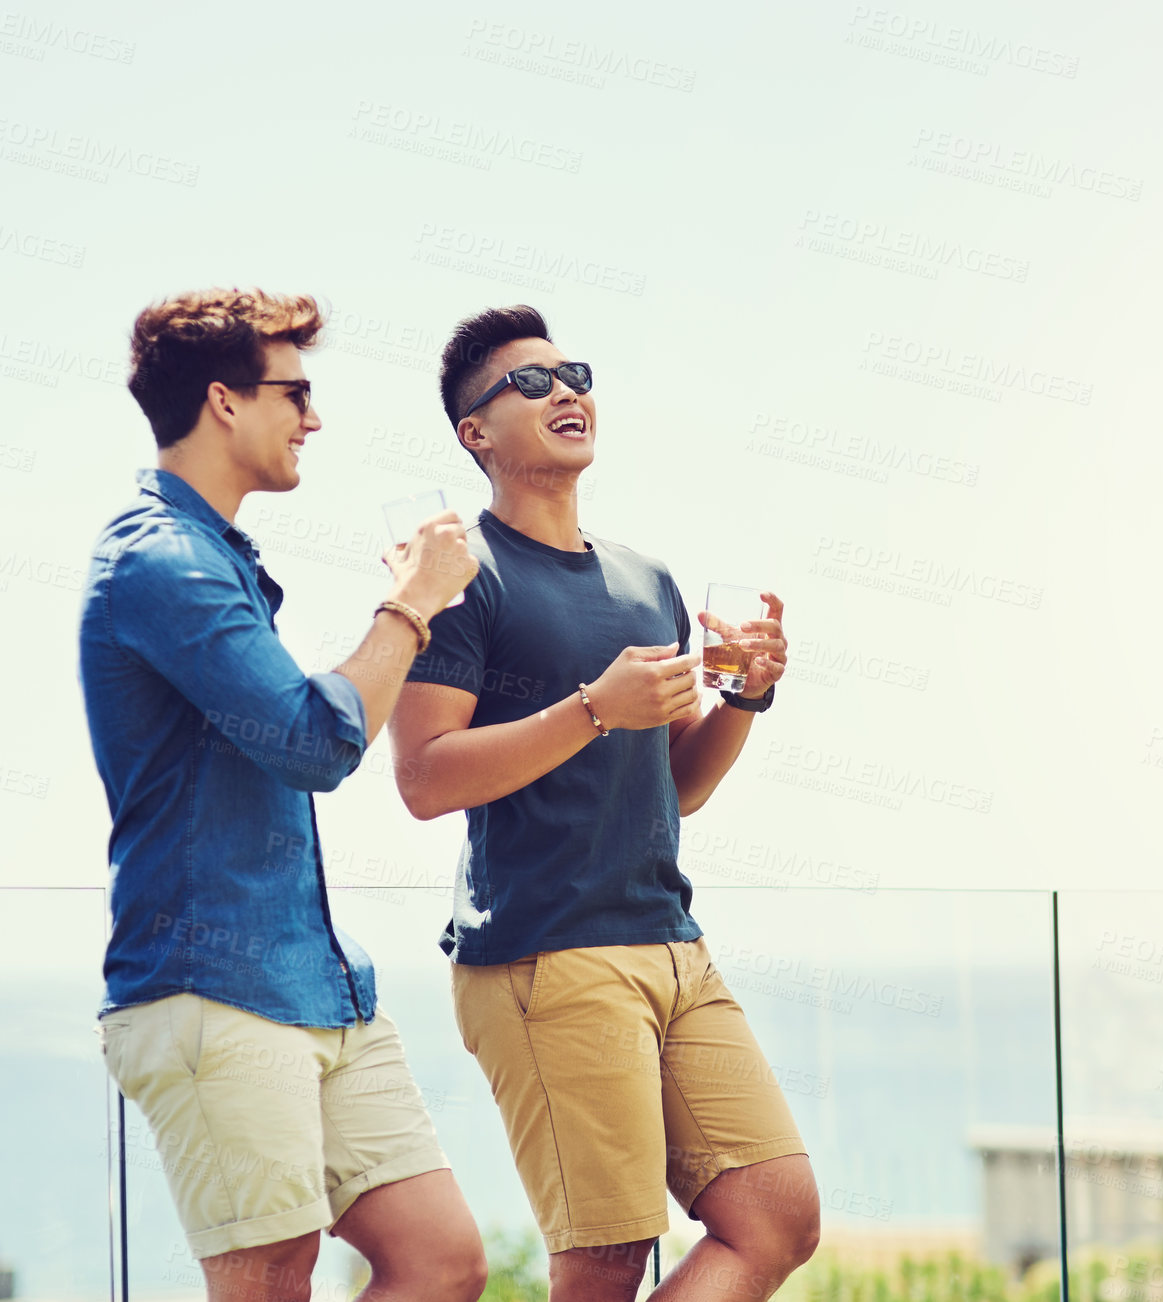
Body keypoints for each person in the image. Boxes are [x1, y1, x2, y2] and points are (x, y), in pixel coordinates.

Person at [388, 304, 819, 1302]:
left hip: (672, 943)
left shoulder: (646, 579)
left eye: (573, 373)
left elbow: (678, 787)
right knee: (605, 1259)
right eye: (530, 382)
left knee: (776, 1215)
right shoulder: (463, 576)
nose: (566, 391)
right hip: (547, 954)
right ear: (475, 434)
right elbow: (423, 777)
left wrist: (744, 694)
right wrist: (592, 708)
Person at [79, 287, 487, 1302]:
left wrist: (408, 611)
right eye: (293, 392)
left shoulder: (214, 556)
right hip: (210, 988)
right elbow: (313, 741)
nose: (313, 418)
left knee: (440, 1261)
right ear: (224, 401)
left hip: (319, 985)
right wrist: (412, 603)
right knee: (267, 1283)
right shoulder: (160, 562)